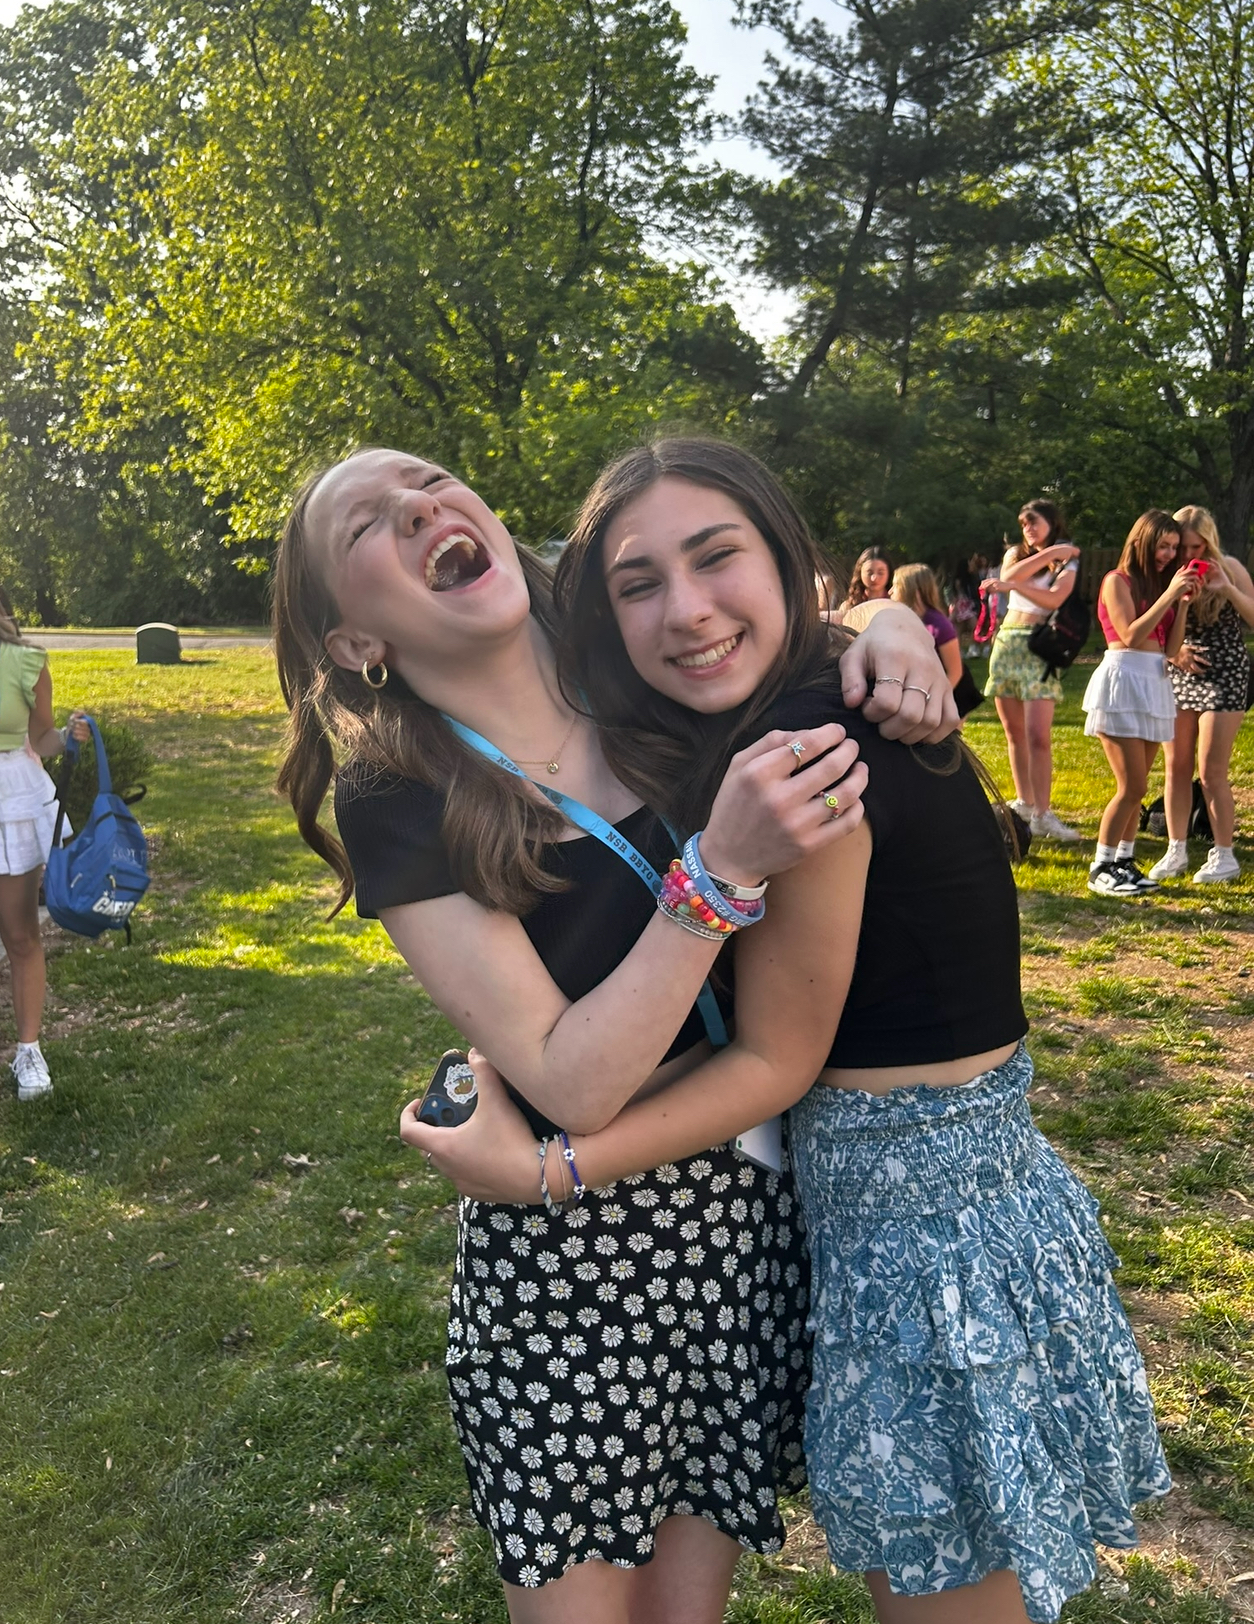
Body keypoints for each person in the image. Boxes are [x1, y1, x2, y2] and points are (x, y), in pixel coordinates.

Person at [405, 437, 1171, 1624]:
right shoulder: (812, 702)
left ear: (785, 560)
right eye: (639, 584)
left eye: (718, 557)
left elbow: (777, 1056)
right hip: (966, 1216)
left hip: (920, 1255)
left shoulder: (803, 754)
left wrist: (547, 1169)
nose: (688, 610)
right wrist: (886, 619)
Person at [271, 445, 956, 1624]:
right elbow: (572, 1075)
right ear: (354, 640)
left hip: (744, 1214)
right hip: (569, 1253)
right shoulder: (397, 788)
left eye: (426, 481)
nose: (421, 507)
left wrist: (887, 623)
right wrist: (718, 872)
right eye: (369, 523)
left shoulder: (636, 672)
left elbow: (766, 627)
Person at [0, 564, 90, 1099]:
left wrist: (68, 736)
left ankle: (28, 1053)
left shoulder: (26, 661)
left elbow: (40, 738)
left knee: (19, 936)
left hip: (14, 793)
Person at [1082, 511, 1201, 897]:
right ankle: (1101, 866)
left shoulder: (1159, 587)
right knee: (1131, 786)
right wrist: (1169, 595)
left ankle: (1124, 860)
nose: (1169, 555)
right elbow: (1131, 635)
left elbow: (1171, 649)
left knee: (1139, 786)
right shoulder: (1116, 581)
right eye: (1163, 546)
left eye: (1173, 547)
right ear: (1142, 543)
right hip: (1123, 683)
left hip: (1153, 683)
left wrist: (1182, 604)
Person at [1148, 505, 1254, 884]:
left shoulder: (1230, 567)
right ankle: (1176, 848)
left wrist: (1228, 589)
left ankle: (1224, 855)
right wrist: (1175, 653)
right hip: (1180, 672)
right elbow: (1157, 628)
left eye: (1197, 547)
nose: (1189, 555)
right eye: (1183, 547)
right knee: (1176, 766)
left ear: (1209, 543)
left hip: (1226, 671)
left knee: (1211, 770)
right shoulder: (1168, 572)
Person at [982, 502, 1082, 841]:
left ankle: (1043, 813)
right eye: (1024, 524)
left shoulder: (1069, 562)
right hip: (1007, 643)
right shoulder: (1017, 554)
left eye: (1034, 522)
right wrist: (1051, 551)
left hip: (1040, 646)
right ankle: (1025, 804)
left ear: (1052, 522)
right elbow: (1009, 576)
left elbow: (1055, 599)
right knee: (1014, 734)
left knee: (1038, 735)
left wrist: (1014, 587)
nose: (1028, 529)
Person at [889, 562, 981, 714]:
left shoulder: (938, 625)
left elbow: (955, 672)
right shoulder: (904, 619)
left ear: (913, 591)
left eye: (896, 586)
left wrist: (934, 701)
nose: (890, 591)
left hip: (953, 692)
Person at [844, 544, 893, 610]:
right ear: (860, 573)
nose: (874, 578)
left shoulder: (897, 603)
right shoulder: (850, 605)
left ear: (889, 573)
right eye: (869, 573)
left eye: (880, 573)